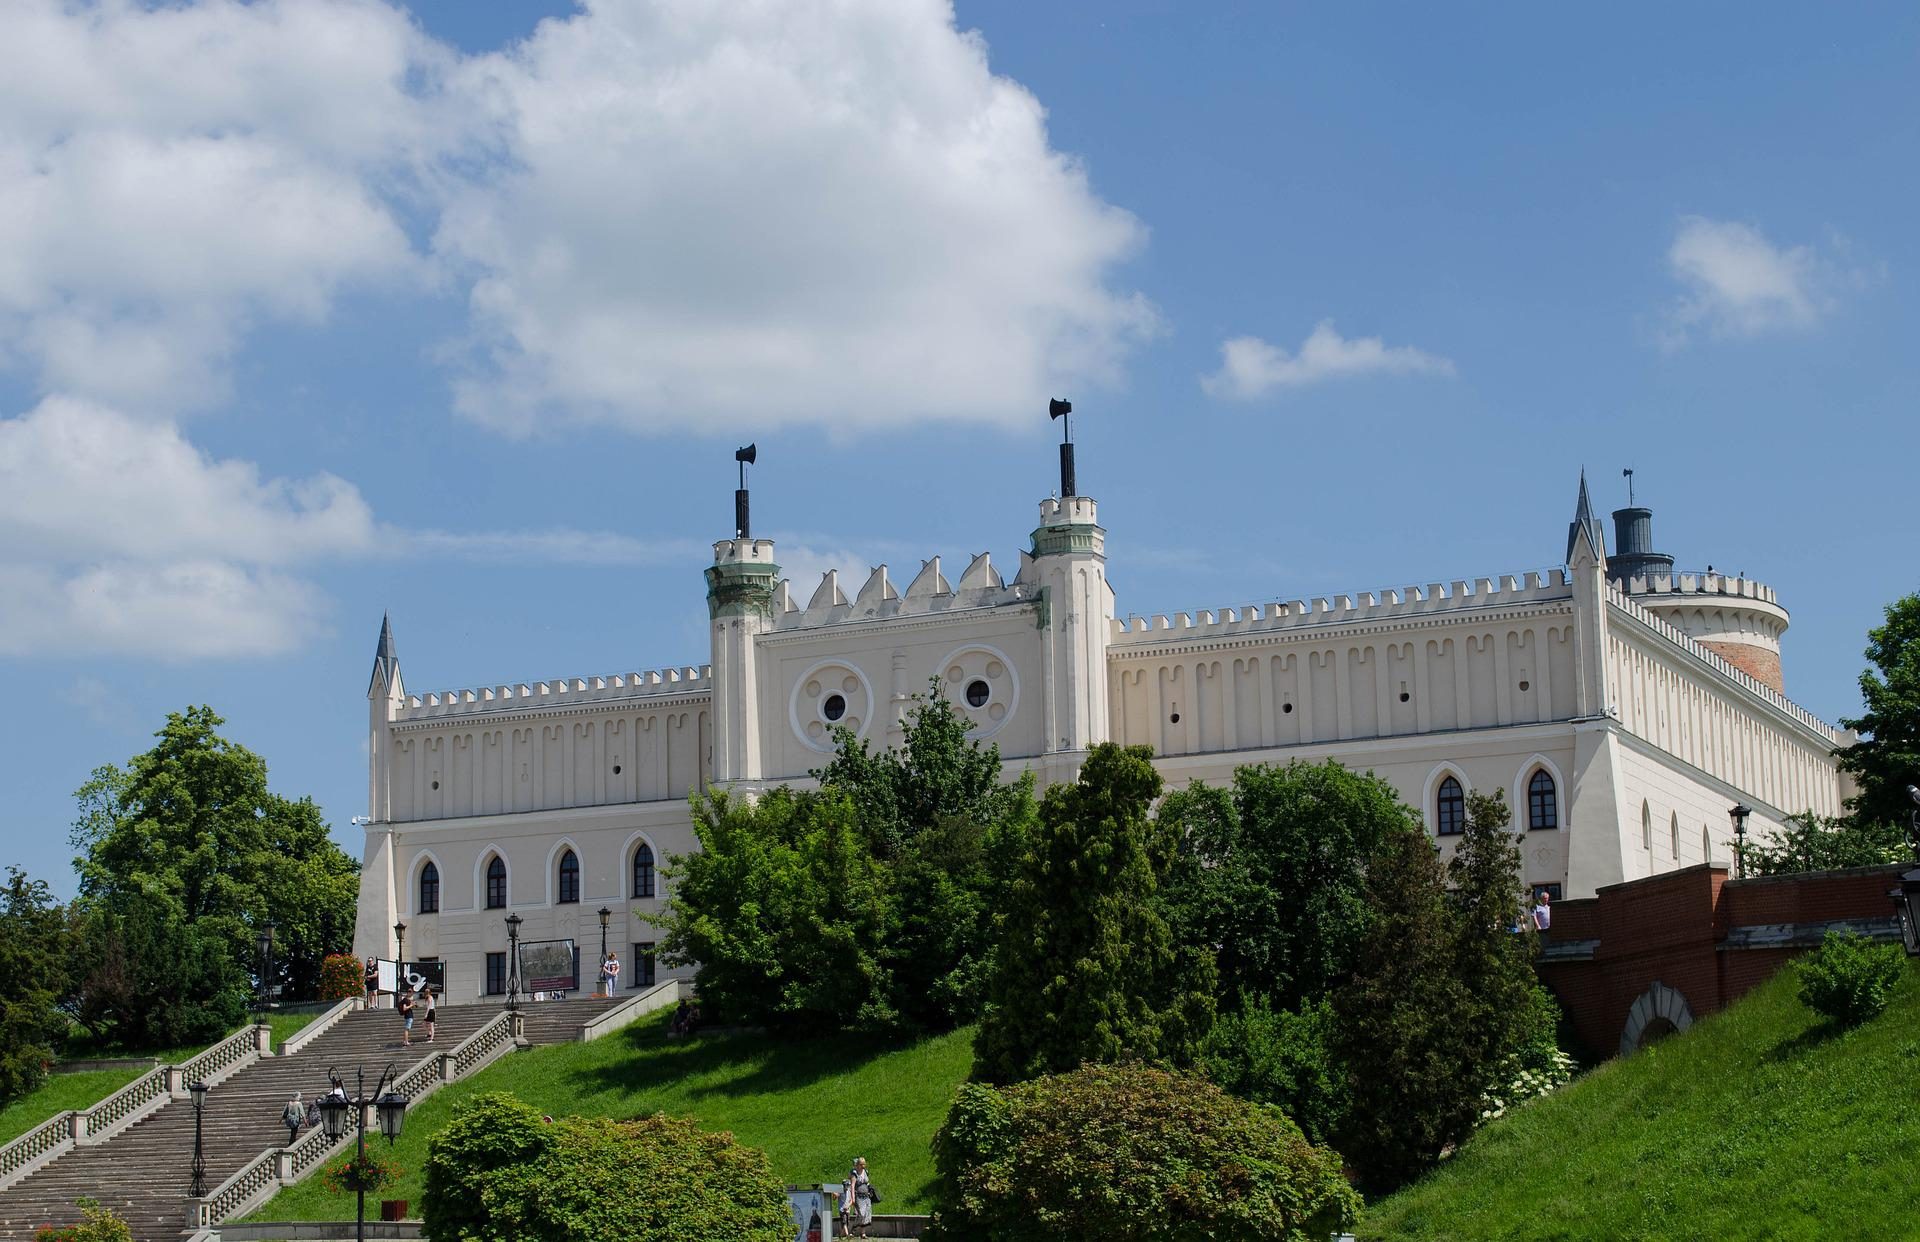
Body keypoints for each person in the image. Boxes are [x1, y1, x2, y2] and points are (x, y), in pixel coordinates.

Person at [840, 1156, 874, 1238]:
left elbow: (867, 1183)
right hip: (859, 1196)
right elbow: (852, 1186)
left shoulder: (865, 1172)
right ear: (858, 1165)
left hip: (867, 1196)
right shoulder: (854, 1174)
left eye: (864, 1164)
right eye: (861, 1164)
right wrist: (853, 1198)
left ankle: (863, 1233)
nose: (863, 1166)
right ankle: (853, 1231)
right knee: (861, 1214)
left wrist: (870, 1190)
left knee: (866, 1215)